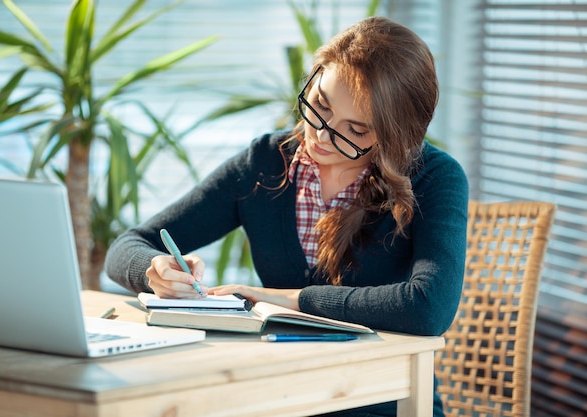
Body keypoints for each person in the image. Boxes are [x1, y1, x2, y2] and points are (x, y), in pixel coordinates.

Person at [105, 16, 468, 417]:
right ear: (311, 80)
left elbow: (429, 308)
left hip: (382, 403)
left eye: (356, 130)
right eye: (320, 106)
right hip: (278, 399)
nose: (322, 136)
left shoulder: (433, 177)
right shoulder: (264, 163)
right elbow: (127, 246)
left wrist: (290, 301)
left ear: (394, 133)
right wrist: (153, 269)